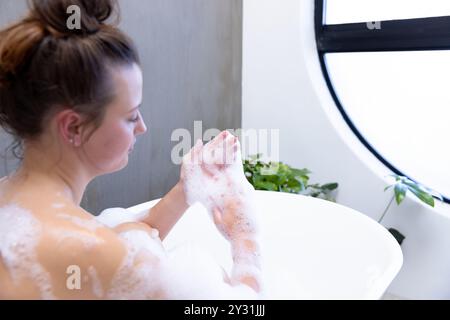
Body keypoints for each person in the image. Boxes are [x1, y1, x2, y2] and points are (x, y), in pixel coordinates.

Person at [0, 0, 262, 299]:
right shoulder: (103, 256)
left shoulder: (14, 208)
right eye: (131, 116)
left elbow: (116, 248)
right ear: (73, 127)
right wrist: (246, 240)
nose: (142, 127)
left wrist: (185, 190)